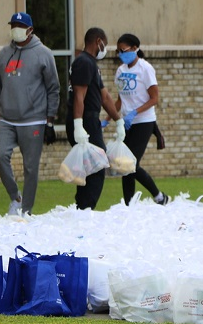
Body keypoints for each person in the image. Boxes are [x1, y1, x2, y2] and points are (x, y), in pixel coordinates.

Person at [0, 12, 60, 216]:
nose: (15, 29)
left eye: (19, 25)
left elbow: (53, 88)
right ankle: (16, 197)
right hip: (6, 119)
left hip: (33, 120)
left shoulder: (44, 54)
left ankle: (26, 211)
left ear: (30, 30)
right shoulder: (3, 54)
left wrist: (50, 121)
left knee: (31, 168)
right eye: (13, 25)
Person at [105, 33, 170, 205]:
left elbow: (154, 98)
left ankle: (159, 196)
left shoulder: (145, 69)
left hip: (143, 122)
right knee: (125, 166)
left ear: (135, 49)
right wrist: (107, 119)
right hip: (126, 124)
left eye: (123, 50)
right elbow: (119, 101)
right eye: (118, 51)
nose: (120, 54)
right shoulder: (120, 71)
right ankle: (129, 204)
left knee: (130, 164)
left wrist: (135, 112)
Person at [66, 27, 125, 210]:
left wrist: (119, 120)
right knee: (97, 168)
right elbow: (79, 95)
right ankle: (85, 209)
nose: (104, 49)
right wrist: (78, 125)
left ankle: (82, 208)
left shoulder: (91, 64)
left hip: (89, 120)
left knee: (89, 168)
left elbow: (104, 97)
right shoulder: (84, 62)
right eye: (104, 45)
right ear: (97, 41)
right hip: (85, 121)